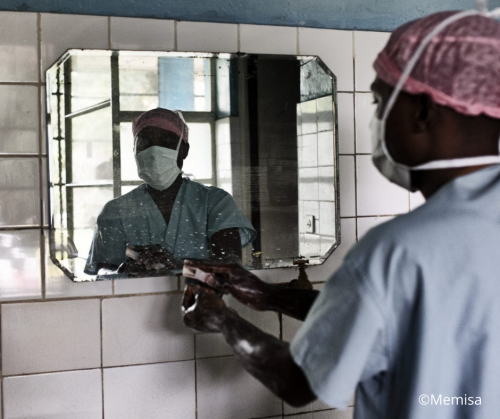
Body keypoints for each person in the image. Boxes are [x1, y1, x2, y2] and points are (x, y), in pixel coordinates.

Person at [182, 10, 500, 419]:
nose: (377, 122)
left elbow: (298, 381)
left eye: (380, 103)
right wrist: (266, 294)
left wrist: (223, 320)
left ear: (422, 112)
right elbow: (384, 324)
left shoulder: (398, 251)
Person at [84, 108, 256, 276]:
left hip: (199, 301)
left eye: (166, 143)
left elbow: (230, 267)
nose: (154, 152)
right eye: (145, 142)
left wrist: (180, 265)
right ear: (135, 151)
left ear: (184, 150)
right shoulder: (115, 211)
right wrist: (122, 270)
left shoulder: (214, 202)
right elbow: (102, 271)